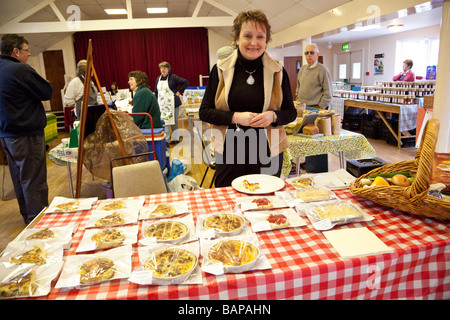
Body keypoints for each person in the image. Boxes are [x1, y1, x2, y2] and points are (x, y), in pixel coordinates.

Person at [199, 10, 297, 187]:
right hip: (229, 148)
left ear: (266, 41)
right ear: (237, 39)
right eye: (248, 36)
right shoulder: (220, 70)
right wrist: (235, 117)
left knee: (265, 201)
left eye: (260, 37)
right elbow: (205, 112)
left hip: (268, 149)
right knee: (228, 199)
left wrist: (272, 116)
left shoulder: (278, 72)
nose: (254, 42)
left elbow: (291, 112)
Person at [0, 34, 53, 224]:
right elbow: (47, 92)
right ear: (15, 51)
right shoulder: (20, 69)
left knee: (19, 177)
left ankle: (27, 217)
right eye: (26, 50)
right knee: (34, 180)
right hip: (26, 134)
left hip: (6, 135)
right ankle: (38, 222)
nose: (29, 54)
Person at [154, 61, 189, 144]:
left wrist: (179, 91)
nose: (163, 69)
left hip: (173, 103)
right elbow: (156, 91)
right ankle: (166, 140)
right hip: (162, 104)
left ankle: (175, 139)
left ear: (168, 69)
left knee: (173, 121)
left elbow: (185, 82)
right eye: (161, 68)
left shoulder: (173, 77)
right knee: (164, 121)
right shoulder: (158, 79)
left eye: (165, 68)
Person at [295, 43, 332, 109]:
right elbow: (298, 87)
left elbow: (328, 93)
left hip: (315, 107)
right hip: (300, 106)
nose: (309, 55)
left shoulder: (322, 70)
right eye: (306, 53)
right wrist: (298, 99)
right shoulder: (302, 69)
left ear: (317, 54)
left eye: (311, 53)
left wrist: (320, 107)